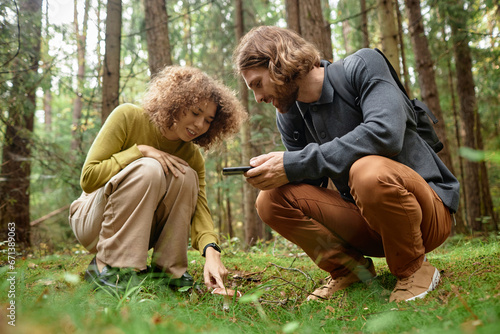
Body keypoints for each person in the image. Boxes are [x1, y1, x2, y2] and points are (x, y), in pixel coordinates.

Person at [232, 26, 459, 303]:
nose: (257, 98)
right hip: (366, 222)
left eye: (257, 83)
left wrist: (295, 162)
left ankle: (413, 269)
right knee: (270, 200)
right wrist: (274, 171)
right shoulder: (290, 114)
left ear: (279, 63)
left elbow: (385, 134)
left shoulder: (364, 65)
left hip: (426, 214)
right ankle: (349, 272)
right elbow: (309, 180)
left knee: (366, 171)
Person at [69, 66, 247, 291]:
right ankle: (109, 268)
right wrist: (141, 151)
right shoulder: (128, 116)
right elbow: (88, 178)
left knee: (186, 176)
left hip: (139, 232)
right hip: (92, 221)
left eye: (208, 120)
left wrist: (212, 252)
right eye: (195, 112)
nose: (200, 124)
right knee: (150, 168)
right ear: (176, 102)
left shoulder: (191, 155)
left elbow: (200, 208)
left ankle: (167, 273)